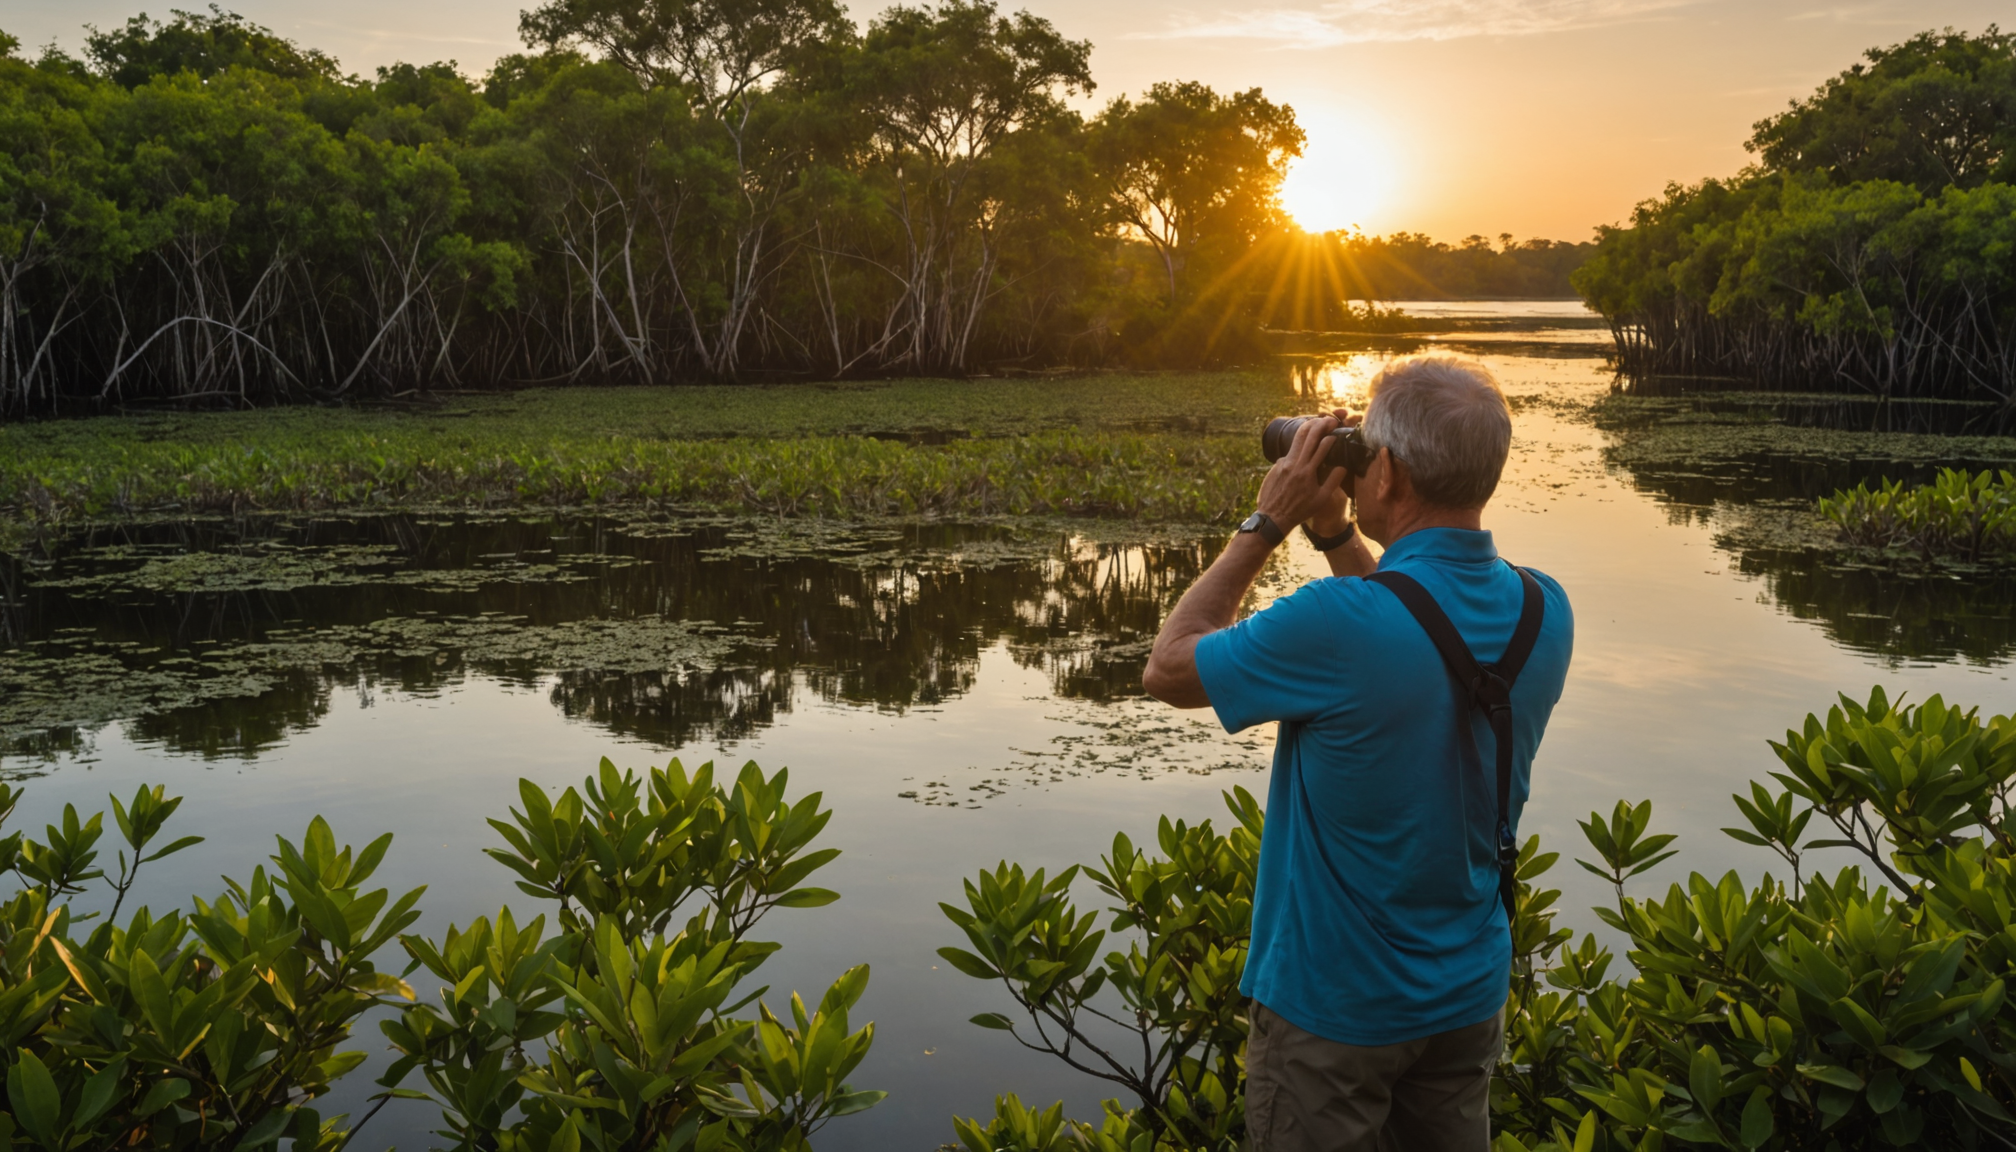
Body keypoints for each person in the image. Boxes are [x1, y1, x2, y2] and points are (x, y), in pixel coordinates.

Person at [1141, 355, 1574, 1152]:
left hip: (1335, 1014)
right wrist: (1339, 532)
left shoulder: (1335, 622)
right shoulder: (1544, 608)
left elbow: (1168, 667)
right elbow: (1416, 626)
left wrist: (1267, 523)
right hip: (1465, 998)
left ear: (1391, 472)